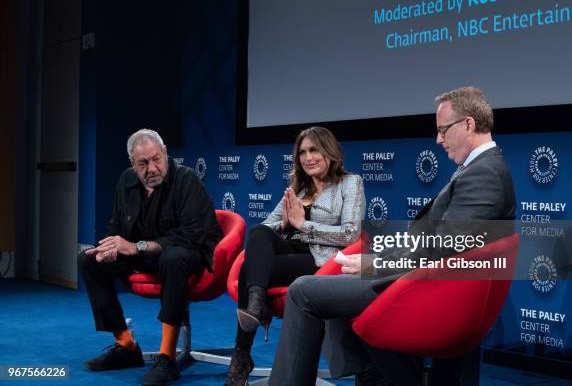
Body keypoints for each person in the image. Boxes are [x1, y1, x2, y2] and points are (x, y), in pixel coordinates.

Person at [268, 86, 517, 386]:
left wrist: (374, 264)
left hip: (423, 291)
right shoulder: (483, 168)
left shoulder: (484, 173)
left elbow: (443, 249)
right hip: (423, 283)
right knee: (332, 289)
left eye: (443, 130)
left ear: (468, 124)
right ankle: (378, 376)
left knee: (303, 291)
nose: (438, 139)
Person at [77, 129, 222, 386]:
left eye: (156, 159)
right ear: (132, 164)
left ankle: (167, 359)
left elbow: (192, 236)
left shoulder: (187, 180)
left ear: (165, 153)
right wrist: (111, 247)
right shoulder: (126, 181)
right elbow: (117, 227)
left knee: (172, 258)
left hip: (187, 253)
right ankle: (126, 346)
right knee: (89, 260)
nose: (152, 168)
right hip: (143, 254)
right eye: (143, 163)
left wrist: (137, 247)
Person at [224, 126, 365, 386]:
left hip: (323, 261)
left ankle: (241, 353)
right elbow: (268, 225)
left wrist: (303, 225)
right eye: (302, 152)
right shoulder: (298, 189)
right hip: (292, 253)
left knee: (250, 270)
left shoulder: (349, 183)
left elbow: (350, 234)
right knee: (259, 233)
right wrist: (285, 225)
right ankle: (255, 306)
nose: (308, 157)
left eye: (314, 150)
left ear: (329, 152)